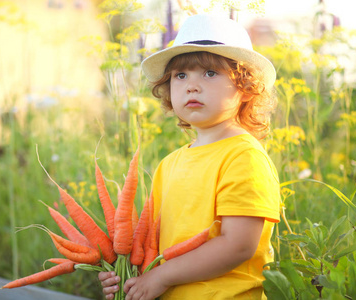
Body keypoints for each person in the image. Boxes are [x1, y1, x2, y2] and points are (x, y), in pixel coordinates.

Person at [99, 14, 281, 300]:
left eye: (209, 73)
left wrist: (161, 276)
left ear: (246, 89)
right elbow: (152, 247)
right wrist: (126, 276)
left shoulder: (243, 156)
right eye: (180, 76)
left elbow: (238, 245)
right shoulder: (169, 164)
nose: (191, 85)